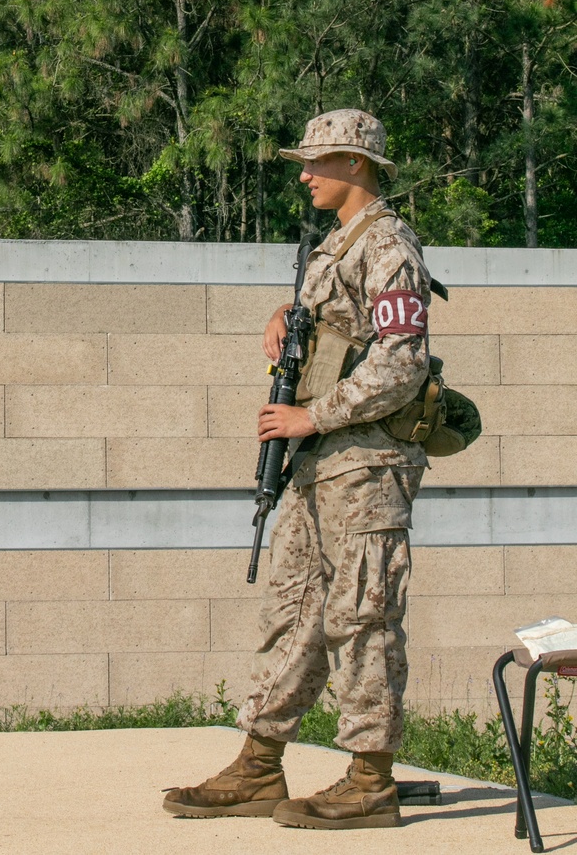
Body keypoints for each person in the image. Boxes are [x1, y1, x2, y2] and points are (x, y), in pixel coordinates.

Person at [162, 109, 431, 831]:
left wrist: (312, 417)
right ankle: (259, 764)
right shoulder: (336, 245)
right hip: (320, 467)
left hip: (366, 466)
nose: (306, 175)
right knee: (293, 613)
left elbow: (400, 363)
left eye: (318, 162)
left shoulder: (390, 244)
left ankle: (370, 781)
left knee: (363, 618)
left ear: (356, 164)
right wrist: (289, 313)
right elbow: (347, 324)